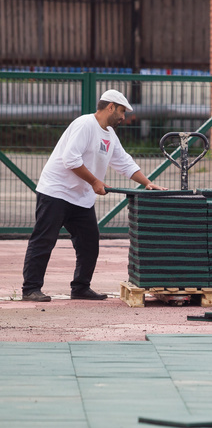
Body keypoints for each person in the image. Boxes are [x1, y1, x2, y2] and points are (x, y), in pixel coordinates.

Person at [21, 90, 166, 302]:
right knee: (44, 240)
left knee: (89, 243)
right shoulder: (85, 125)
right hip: (56, 192)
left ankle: (80, 287)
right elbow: (70, 160)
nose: (123, 117)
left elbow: (123, 162)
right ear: (110, 107)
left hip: (81, 198)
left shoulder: (109, 134)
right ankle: (30, 289)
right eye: (121, 111)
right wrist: (95, 182)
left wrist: (147, 183)